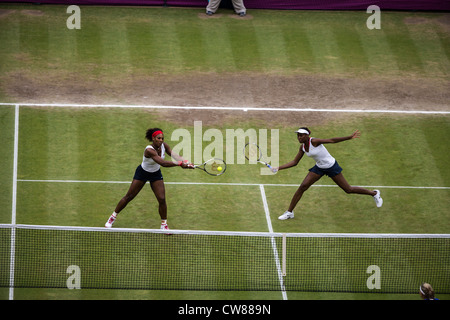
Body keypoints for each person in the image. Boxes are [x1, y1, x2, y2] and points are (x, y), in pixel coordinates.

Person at [273, 127, 383, 220]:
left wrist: (349, 137)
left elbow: (332, 140)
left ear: (307, 135)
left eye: (301, 135)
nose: (299, 137)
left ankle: (374, 193)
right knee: (302, 187)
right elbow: (295, 162)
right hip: (319, 167)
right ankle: (289, 212)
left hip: (331, 167)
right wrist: (278, 168)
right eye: (298, 135)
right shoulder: (302, 147)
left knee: (348, 189)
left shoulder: (314, 141)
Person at [105, 128, 193, 230]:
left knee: (162, 199)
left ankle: (164, 225)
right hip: (142, 173)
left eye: (162, 138)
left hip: (155, 174)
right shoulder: (149, 150)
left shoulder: (164, 146)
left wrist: (186, 161)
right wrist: (180, 164)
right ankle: (112, 217)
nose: (161, 140)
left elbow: (174, 155)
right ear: (153, 138)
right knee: (129, 196)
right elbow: (163, 163)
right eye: (158, 138)